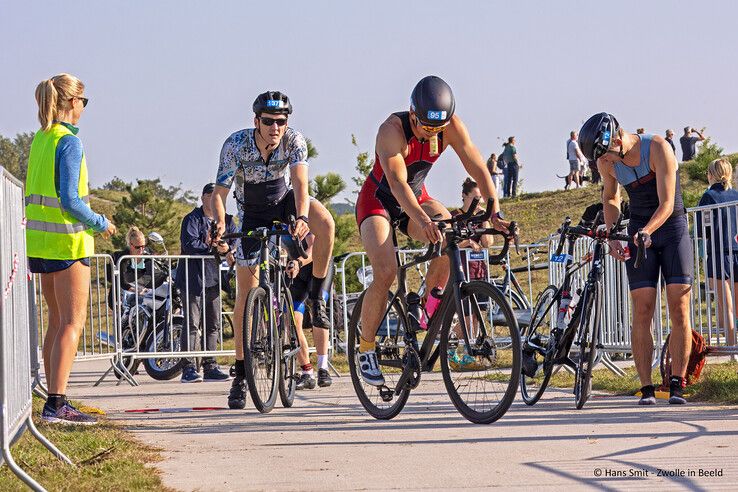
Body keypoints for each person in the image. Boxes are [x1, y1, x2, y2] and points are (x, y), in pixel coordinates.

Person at [354, 75, 511, 386]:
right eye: (427, 127)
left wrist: (494, 210)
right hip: (379, 201)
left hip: (418, 197)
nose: (433, 134)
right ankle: (366, 349)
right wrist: (422, 221)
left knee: (448, 235)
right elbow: (398, 184)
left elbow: (477, 166)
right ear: (413, 114)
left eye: (439, 129)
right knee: (385, 272)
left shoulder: (451, 125)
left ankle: (428, 303)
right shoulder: (391, 130)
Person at [212, 91, 335, 409]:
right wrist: (220, 224)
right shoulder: (235, 144)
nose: (275, 127)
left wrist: (304, 218)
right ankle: (240, 375)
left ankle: (317, 297)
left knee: (326, 222)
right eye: (268, 121)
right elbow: (220, 192)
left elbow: (300, 182)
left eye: (281, 121)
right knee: (245, 295)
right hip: (250, 211)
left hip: (285, 203)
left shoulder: (294, 140)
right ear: (256, 121)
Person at [579, 112, 693, 405]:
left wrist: (647, 231)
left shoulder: (656, 147)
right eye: (601, 159)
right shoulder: (606, 161)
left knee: (679, 305)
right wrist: (615, 234)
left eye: (608, 156)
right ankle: (647, 387)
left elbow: (667, 203)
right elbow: (611, 198)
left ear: (617, 138)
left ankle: (678, 382)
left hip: (670, 228)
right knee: (642, 308)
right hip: (638, 229)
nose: (607, 162)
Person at [25, 74, 117, 425]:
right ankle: (57, 403)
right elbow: (70, 200)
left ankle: (53, 397)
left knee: (56, 323)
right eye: (84, 101)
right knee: (72, 323)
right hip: (68, 241)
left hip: (41, 243)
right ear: (72, 103)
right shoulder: (69, 142)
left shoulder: (41, 139)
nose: (84, 108)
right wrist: (101, 222)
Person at [176, 183, 237, 383]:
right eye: (209, 196)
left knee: (213, 324)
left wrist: (228, 249)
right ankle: (188, 367)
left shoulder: (227, 220)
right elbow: (189, 244)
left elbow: (235, 242)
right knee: (192, 324)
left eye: (216, 196)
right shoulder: (192, 219)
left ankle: (210, 365)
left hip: (214, 280)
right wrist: (211, 246)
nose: (213, 199)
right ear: (202, 197)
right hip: (193, 278)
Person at [448, 178, 494, 371]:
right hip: (462, 271)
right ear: (464, 196)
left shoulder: (481, 215)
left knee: (476, 315)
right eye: (474, 198)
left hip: (479, 270)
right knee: (466, 316)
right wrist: (466, 243)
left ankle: (463, 349)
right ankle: (459, 351)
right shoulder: (455, 216)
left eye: (480, 198)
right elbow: (448, 244)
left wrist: (484, 218)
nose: (477, 202)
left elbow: (488, 242)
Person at [283, 234, 334, 389]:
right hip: (297, 271)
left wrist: (298, 262)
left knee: (318, 312)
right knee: (291, 319)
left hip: (318, 267)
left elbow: (315, 247)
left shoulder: (305, 214)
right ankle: (307, 371)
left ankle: (323, 367)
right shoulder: (277, 217)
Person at [696, 158, 738, 348]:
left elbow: (701, 230)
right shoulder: (736, 195)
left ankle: (731, 349)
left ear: (710, 174)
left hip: (719, 253)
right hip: (736, 250)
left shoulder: (708, 196)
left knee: (726, 306)